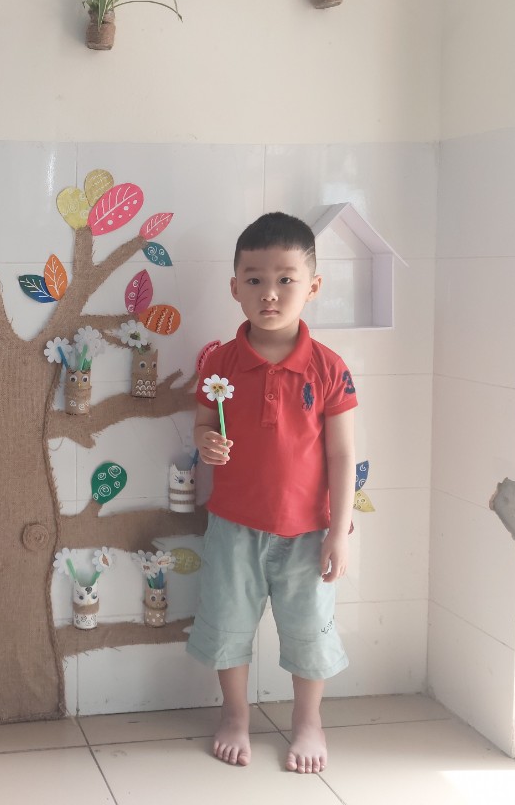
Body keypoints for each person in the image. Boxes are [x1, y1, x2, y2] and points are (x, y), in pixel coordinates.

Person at [188, 211, 357, 774]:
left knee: (309, 632)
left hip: (309, 531)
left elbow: (342, 455)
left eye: (286, 279)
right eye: (255, 279)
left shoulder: (329, 368)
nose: (270, 293)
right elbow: (202, 423)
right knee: (227, 625)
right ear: (234, 287)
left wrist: (338, 532)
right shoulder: (221, 362)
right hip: (233, 525)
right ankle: (235, 715)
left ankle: (308, 722)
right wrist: (207, 442)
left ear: (313, 286)